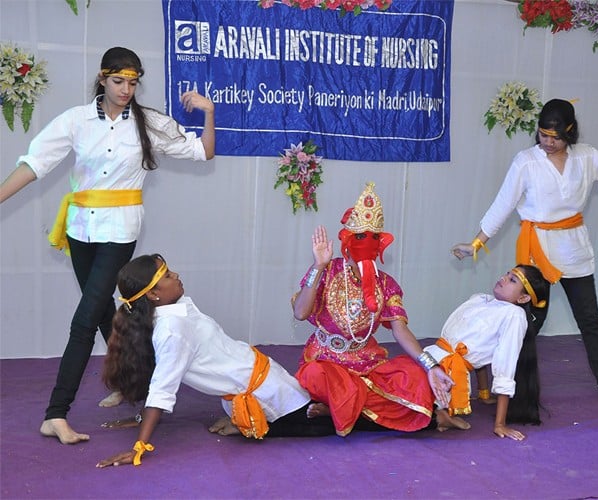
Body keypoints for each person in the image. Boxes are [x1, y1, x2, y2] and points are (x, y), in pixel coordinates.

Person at [0, 47, 216, 444]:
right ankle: (131, 384)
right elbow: (34, 164)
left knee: (83, 320)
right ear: (102, 79)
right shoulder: (76, 120)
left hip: (120, 230)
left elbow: (202, 152)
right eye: (118, 81)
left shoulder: (148, 123)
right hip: (81, 229)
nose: (126, 90)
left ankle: (56, 413)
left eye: (133, 83)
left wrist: (208, 112)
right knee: (101, 308)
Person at [452, 99, 598, 405]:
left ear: (570, 132)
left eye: (555, 137)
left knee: (590, 319)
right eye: (543, 135)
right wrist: (475, 243)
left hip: (574, 250)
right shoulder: (526, 161)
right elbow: (503, 204)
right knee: (526, 323)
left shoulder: (587, 157)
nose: (548, 142)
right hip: (537, 253)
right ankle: (507, 388)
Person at [96, 254, 336, 468]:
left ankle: (245, 424)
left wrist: (139, 419)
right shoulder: (172, 330)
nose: (176, 275)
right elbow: (161, 387)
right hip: (268, 394)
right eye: (167, 275)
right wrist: (139, 446)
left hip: (266, 381)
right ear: (153, 294)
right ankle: (251, 425)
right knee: (341, 422)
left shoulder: (176, 310)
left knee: (339, 407)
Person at [293, 182, 462, 436]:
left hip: (367, 362)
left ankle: (343, 407)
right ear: (347, 240)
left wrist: (431, 366)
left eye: (373, 238)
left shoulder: (386, 284)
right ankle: (352, 404)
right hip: (327, 360)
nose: (367, 243)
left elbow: (401, 330)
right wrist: (318, 266)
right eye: (360, 237)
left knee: (415, 377)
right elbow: (300, 313)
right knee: (316, 377)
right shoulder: (327, 270)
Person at [424, 264, 549, 441]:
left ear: (523, 298)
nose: (504, 278)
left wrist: (500, 424)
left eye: (512, 280)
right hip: (427, 358)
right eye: (507, 274)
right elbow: (478, 350)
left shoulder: (514, 315)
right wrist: (483, 394)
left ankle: (439, 417)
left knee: (390, 405)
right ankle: (438, 415)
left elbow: (505, 365)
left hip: (445, 375)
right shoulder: (482, 299)